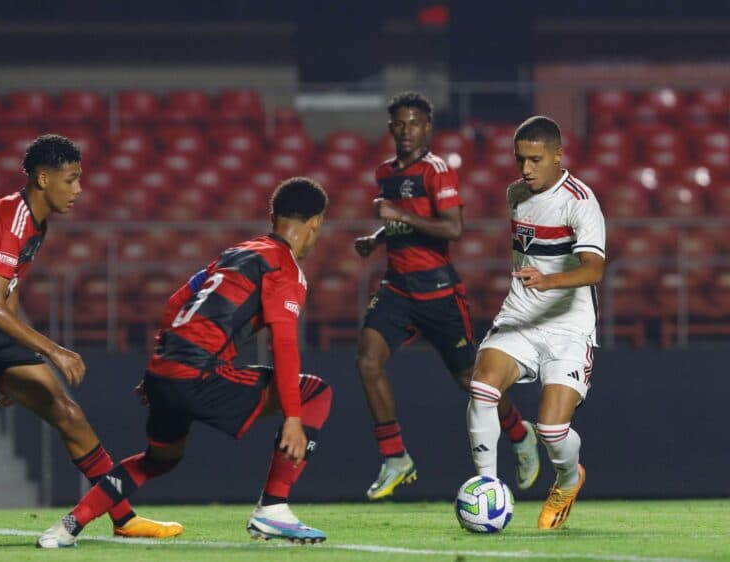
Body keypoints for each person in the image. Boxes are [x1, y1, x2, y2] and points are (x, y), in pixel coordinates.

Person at [37, 177, 332, 548]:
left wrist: (159, 363)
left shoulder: (235, 253)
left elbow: (177, 300)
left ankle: (67, 527)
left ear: (273, 216)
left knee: (160, 458)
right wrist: (292, 417)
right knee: (315, 393)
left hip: (165, 369)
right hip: (201, 372)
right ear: (316, 223)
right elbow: (284, 344)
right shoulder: (284, 269)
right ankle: (273, 509)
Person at [0, 135, 182, 538]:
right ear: (43, 179)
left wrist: (14, 364)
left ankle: (124, 518)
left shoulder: (37, 222)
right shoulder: (11, 216)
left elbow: (5, 296)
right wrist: (51, 350)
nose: (79, 189)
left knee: (66, 411)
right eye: (72, 179)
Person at [354, 91, 539, 500]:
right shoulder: (385, 173)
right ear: (391, 129)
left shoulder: (437, 171)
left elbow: (452, 228)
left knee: (471, 382)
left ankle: (520, 434)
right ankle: (395, 457)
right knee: (367, 361)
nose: (406, 130)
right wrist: (378, 237)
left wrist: (397, 216)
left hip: (437, 291)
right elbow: (408, 224)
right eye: (399, 124)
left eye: (414, 123)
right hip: (397, 288)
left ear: (427, 127)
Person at [467, 116, 605, 530]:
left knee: (551, 429)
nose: (525, 169)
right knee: (481, 385)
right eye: (520, 159)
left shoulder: (580, 201)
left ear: (559, 156)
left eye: (536, 159)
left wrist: (549, 280)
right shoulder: (516, 194)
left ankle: (567, 478)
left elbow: (594, 269)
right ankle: (486, 487)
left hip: (569, 327)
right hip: (520, 318)